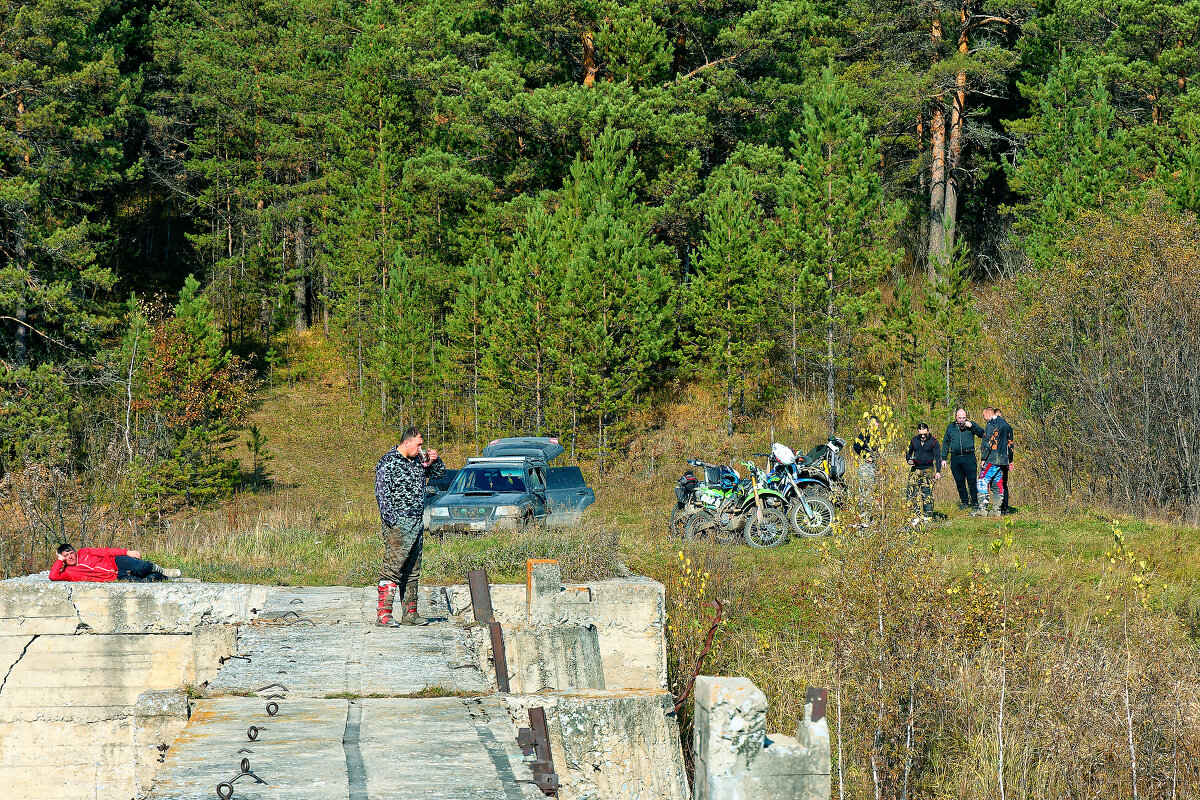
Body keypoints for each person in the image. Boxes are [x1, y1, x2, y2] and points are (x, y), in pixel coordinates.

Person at [374, 426, 444, 626]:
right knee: (393, 568)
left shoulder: (418, 461)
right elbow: (381, 491)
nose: (421, 448)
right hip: (398, 521)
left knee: (413, 569)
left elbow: (439, 474)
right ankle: (384, 614)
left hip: (416, 520)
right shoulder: (388, 461)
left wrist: (435, 459)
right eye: (419, 444)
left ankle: (410, 614)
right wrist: (391, 520)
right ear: (407, 442)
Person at [49, 544, 182, 582]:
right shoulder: (68, 572)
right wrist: (59, 560)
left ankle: (162, 570)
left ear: (74, 551)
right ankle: (166, 578)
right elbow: (53, 577)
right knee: (146, 581)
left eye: (71, 553)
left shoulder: (84, 552)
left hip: (117, 562)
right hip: (115, 576)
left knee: (142, 568)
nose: (71, 557)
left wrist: (127, 552)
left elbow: (105, 552)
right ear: (63, 558)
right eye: (66, 556)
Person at [974, 407, 1013, 518]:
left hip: (992, 458)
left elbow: (988, 443)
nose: (983, 418)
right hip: (1003, 460)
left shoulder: (992, 424)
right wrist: (1010, 459)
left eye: (983, 415)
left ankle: (982, 510)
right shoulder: (1006, 425)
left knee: (982, 481)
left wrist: (983, 458)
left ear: (988, 414)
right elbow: (1010, 444)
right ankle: (996, 510)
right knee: (997, 483)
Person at [941, 408, 984, 511]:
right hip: (955, 458)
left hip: (969, 457)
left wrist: (972, 426)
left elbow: (982, 434)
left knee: (972, 482)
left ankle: (975, 503)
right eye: (960, 418)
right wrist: (944, 458)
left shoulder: (971, 425)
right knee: (959, 481)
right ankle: (964, 502)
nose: (962, 420)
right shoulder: (951, 427)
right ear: (956, 417)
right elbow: (946, 443)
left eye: (964, 418)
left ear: (966, 417)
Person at [905, 423, 941, 522]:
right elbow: (908, 452)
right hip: (915, 469)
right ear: (918, 432)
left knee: (926, 493)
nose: (923, 436)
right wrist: (908, 460)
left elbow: (938, 457)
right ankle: (914, 515)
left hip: (928, 469)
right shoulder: (914, 440)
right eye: (921, 434)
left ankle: (928, 517)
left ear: (928, 431)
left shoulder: (933, 442)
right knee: (911, 492)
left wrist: (938, 471)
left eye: (925, 434)